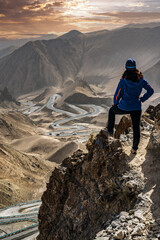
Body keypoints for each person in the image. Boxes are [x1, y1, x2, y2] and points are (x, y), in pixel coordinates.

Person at [103, 58, 154, 154]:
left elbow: (117, 94)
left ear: (126, 68)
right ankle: (134, 148)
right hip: (136, 107)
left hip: (124, 107)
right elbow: (151, 91)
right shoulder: (141, 80)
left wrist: (115, 103)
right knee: (136, 128)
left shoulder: (123, 81)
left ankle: (110, 130)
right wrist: (142, 99)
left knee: (112, 111)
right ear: (135, 68)